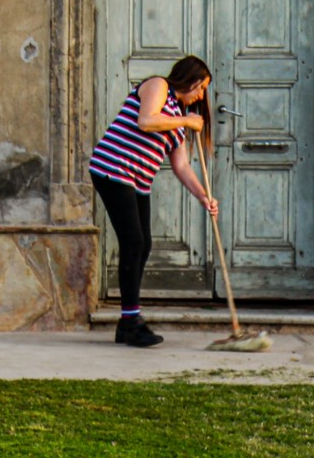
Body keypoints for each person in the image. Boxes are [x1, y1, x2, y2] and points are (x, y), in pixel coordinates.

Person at [89, 55, 219, 348]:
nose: (201, 96)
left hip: (138, 181)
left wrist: (204, 197)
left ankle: (127, 323)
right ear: (191, 80)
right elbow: (146, 121)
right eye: (202, 88)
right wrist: (186, 119)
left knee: (143, 243)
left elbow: (182, 166)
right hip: (112, 169)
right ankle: (132, 322)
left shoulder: (178, 118)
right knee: (134, 242)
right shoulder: (157, 86)